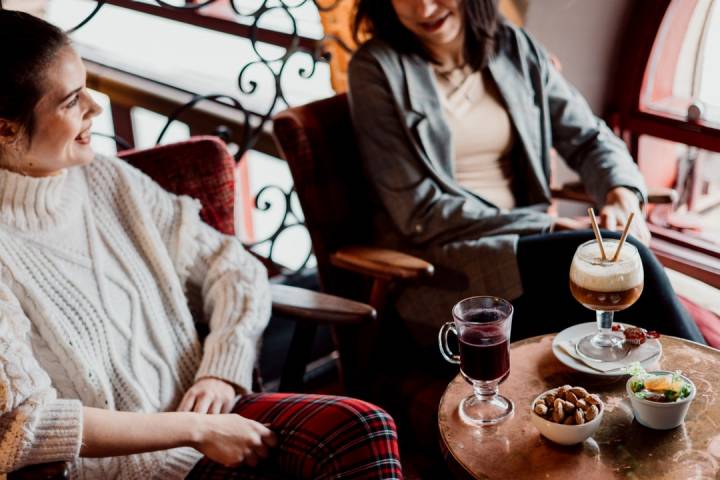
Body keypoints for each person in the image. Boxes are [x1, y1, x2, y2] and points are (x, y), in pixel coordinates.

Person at [0, 10, 403, 480]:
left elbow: (233, 268)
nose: (97, 106)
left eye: (87, 86)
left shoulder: (106, 179)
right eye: (71, 102)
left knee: (362, 426)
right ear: (5, 128)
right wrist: (193, 430)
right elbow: (26, 423)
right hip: (135, 468)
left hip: (214, 415)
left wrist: (221, 370)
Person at [348, 0, 704, 344]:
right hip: (445, 269)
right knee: (626, 268)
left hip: (528, 253)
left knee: (628, 306)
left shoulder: (513, 47)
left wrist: (622, 193)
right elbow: (420, 212)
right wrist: (542, 227)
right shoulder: (375, 68)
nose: (424, 8)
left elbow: (589, 138)